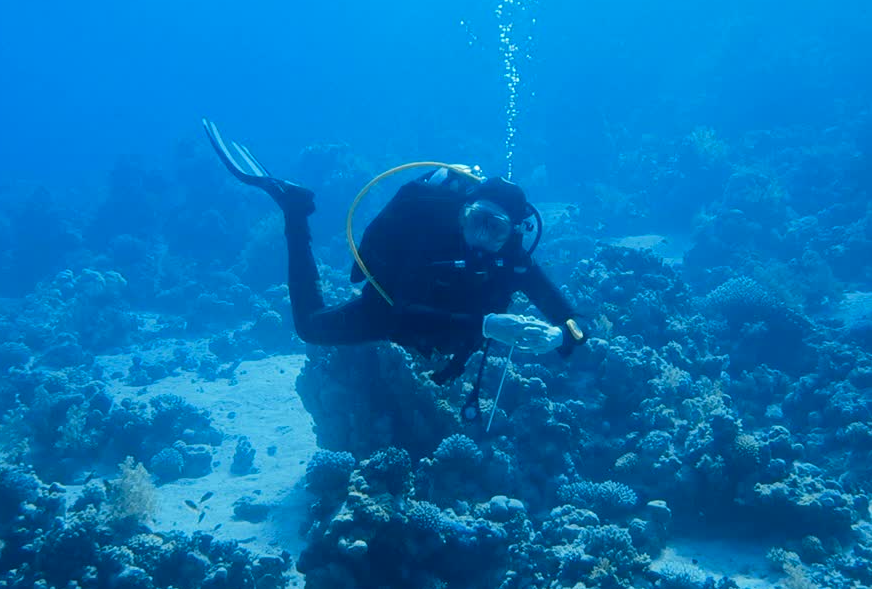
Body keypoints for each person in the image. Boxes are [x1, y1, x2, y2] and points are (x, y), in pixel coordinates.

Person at [202, 119, 587, 389]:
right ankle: (295, 210)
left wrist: (559, 336)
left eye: (496, 228)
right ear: (462, 213)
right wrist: (484, 326)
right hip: (392, 308)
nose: (480, 236)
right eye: (475, 220)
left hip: (448, 332)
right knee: (309, 327)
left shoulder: (514, 259)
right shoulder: (433, 233)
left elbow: (575, 321)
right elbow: (403, 309)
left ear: (513, 233)